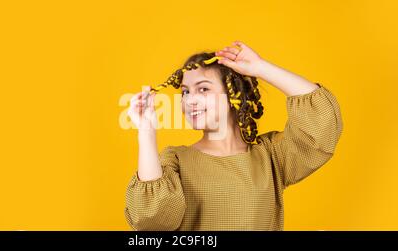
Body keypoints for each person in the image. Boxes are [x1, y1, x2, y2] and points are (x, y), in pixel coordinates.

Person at [124, 41, 343, 230]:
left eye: (203, 89)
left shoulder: (270, 156)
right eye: (185, 92)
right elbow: (151, 221)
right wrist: (146, 131)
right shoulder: (176, 161)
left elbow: (321, 124)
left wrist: (261, 68)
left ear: (232, 95)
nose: (189, 100)